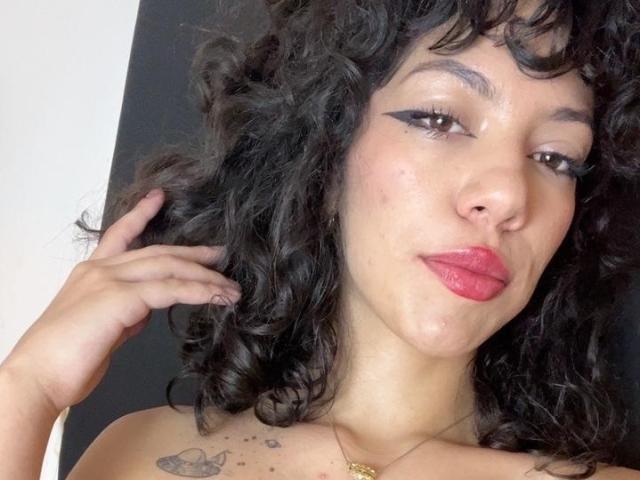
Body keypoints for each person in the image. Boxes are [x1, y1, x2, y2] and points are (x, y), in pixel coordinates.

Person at [1, 0, 639, 479]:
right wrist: (26, 390)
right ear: (327, 153)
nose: (507, 194)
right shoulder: (139, 456)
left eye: (556, 158)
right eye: (439, 118)